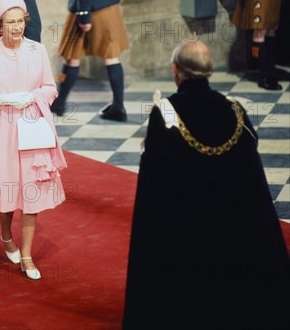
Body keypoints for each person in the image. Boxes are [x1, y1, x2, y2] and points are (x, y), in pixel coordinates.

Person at [122, 40, 290, 330]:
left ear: (176, 71)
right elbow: (250, 170)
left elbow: (157, 176)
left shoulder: (165, 112)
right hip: (233, 222)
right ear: (209, 70)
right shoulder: (234, 110)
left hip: (185, 227)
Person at [0, 0, 66, 280]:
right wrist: (6, 100)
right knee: (7, 188)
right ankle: (5, 235)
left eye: (20, 21)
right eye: (10, 22)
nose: (16, 27)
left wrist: (33, 97)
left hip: (31, 127)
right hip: (0, 129)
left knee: (31, 192)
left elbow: (50, 87)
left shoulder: (37, 51)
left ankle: (26, 255)